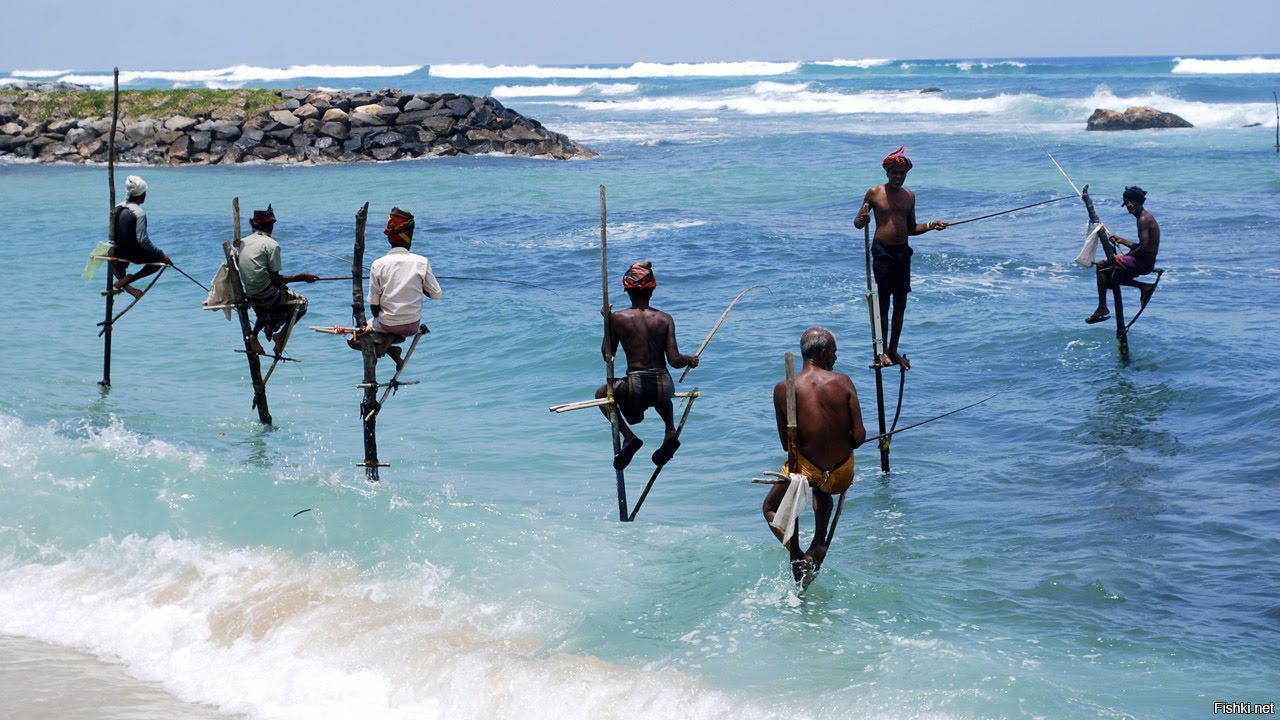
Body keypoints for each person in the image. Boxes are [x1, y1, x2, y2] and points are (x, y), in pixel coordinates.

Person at [765, 327, 865, 582]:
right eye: (834, 353)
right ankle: (818, 544)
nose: (835, 358)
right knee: (824, 491)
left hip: (805, 473)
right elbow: (860, 437)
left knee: (769, 507)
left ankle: (797, 554)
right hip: (841, 474)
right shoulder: (843, 382)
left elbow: (787, 445)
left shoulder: (782, 389)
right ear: (822, 353)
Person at [595, 260, 699, 471]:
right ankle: (669, 430)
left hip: (636, 386)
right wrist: (690, 360)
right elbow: (674, 360)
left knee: (601, 394)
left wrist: (607, 323)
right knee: (660, 394)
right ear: (652, 290)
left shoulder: (618, 319)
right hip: (665, 387)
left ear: (627, 290)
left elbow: (608, 355)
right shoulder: (665, 318)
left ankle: (629, 437)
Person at [853, 147, 949, 370]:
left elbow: (912, 228)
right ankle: (883, 350)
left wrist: (931, 226)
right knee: (883, 303)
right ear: (887, 172)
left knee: (901, 303)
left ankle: (894, 350)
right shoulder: (874, 193)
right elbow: (857, 224)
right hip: (882, 253)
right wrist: (862, 219)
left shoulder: (909, 197)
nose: (898, 177)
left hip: (902, 253)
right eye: (895, 172)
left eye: (902, 174)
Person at [350, 207, 441, 369]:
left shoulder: (378, 264)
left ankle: (389, 349)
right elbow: (436, 294)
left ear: (390, 239)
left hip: (387, 324)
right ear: (409, 237)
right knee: (392, 324)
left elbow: (374, 304)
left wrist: (384, 319)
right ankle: (391, 348)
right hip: (413, 325)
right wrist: (422, 287)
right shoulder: (421, 262)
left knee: (352, 339)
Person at [236, 205, 317, 356]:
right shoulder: (271, 244)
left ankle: (254, 335)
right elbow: (275, 278)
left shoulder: (242, 242)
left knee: (268, 307)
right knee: (302, 303)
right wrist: (302, 277)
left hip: (251, 295)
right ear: (270, 226)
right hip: (266, 295)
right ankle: (280, 336)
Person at [1086, 186, 1161, 324]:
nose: (1129, 206)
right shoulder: (1145, 217)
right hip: (1146, 261)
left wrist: (1124, 256)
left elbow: (1144, 248)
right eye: (1127, 203)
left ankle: (1102, 307)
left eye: (1132, 202)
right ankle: (1144, 287)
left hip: (1143, 263)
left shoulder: (1143, 219)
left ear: (1138, 202)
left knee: (1102, 266)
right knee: (1109, 279)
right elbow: (1145, 246)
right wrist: (1123, 241)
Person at [110, 175, 171, 300]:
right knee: (158, 263)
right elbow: (143, 240)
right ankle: (130, 279)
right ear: (140, 195)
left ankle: (126, 285)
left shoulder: (116, 208)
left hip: (118, 252)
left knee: (110, 257)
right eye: (144, 193)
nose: (145, 196)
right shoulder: (139, 212)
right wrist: (161, 254)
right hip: (133, 254)